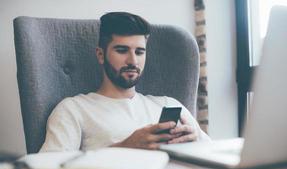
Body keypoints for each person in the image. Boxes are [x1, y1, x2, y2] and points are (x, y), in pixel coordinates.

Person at [40, 12, 210, 152]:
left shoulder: (168, 104)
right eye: (122, 50)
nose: (133, 61)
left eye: (140, 52)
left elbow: (214, 153)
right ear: (100, 55)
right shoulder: (73, 109)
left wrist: (196, 145)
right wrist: (123, 148)